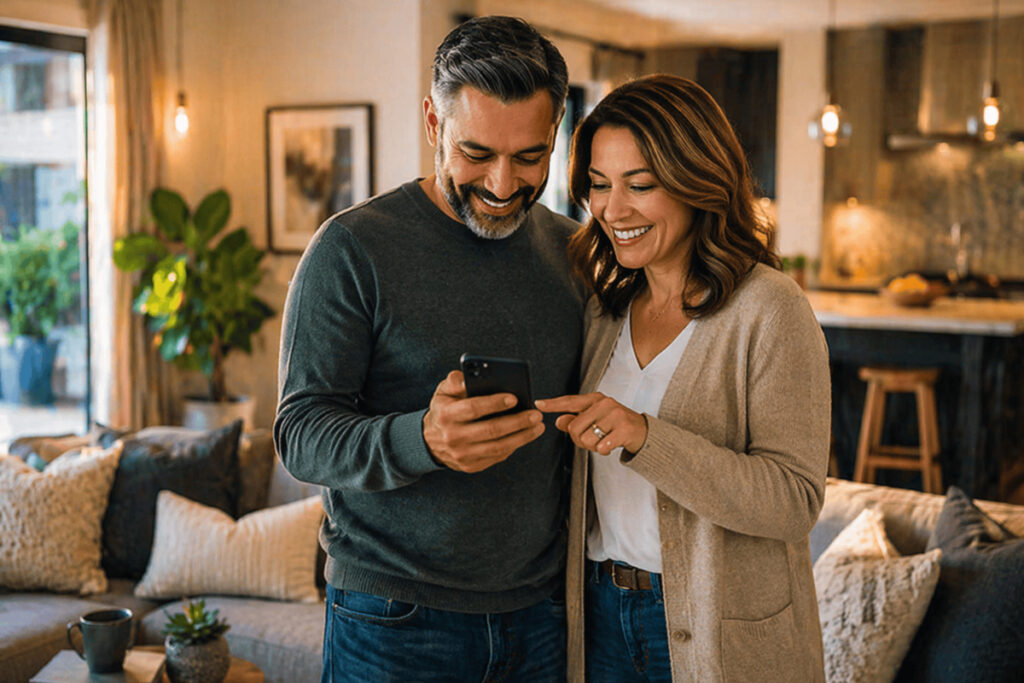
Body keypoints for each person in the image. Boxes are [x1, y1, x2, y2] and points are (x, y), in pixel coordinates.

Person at [274, 16, 583, 683]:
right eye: (477, 153)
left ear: (555, 133)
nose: (503, 185)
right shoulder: (351, 249)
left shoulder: (574, 254)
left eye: (529, 156)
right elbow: (298, 435)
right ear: (433, 123)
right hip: (392, 619)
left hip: (542, 616)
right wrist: (423, 439)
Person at [536, 74, 831, 682]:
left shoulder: (769, 309)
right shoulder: (604, 308)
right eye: (598, 185)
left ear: (700, 181)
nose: (613, 210)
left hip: (717, 628)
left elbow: (793, 501)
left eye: (640, 185)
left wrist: (646, 437)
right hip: (599, 614)